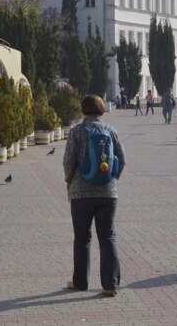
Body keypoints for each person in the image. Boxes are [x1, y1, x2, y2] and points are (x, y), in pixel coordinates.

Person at [63, 94, 125, 297]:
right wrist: (111, 179)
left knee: (82, 238)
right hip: (108, 193)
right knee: (107, 237)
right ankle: (111, 285)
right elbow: (121, 159)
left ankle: (80, 282)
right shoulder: (111, 130)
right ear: (100, 110)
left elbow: (68, 161)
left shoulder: (77, 132)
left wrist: (70, 181)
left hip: (81, 194)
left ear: (83, 111)